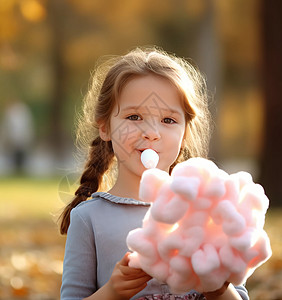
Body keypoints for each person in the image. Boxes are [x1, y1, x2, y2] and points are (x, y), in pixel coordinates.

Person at [58, 47, 249, 300]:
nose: (151, 132)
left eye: (168, 120)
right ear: (105, 128)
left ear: (184, 134)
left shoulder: (207, 210)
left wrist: (218, 288)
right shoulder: (88, 219)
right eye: (134, 116)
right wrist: (112, 292)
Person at [1, 98, 34, 173]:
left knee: (20, 158)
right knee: (15, 158)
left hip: (20, 140)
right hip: (15, 140)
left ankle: (20, 171)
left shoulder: (20, 112)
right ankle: (17, 171)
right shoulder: (12, 112)